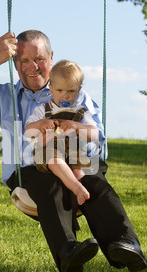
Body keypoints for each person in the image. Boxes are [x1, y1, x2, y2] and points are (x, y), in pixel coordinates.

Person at [0, 30, 147, 272]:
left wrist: (72, 142)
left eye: (39, 59)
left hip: (75, 160)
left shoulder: (72, 92)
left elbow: (99, 139)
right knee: (49, 184)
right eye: (23, 60)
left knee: (94, 179)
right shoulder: (4, 97)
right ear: (15, 63)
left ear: (51, 57)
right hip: (31, 172)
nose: (33, 67)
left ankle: (125, 244)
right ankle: (69, 253)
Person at [25, 60, 97, 206]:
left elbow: (94, 134)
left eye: (71, 91)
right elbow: (28, 132)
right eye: (60, 91)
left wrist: (77, 126)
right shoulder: (42, 110)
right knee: (55, 160)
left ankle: (79, 200)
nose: (65, 96)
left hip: (74, 152)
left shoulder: (82, 112)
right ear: (51, 89)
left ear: (79, 90)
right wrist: (40, 124)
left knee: (79, 173)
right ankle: (77, 189)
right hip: (49, 152)